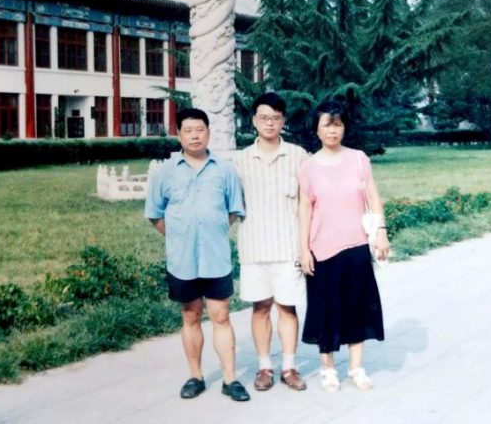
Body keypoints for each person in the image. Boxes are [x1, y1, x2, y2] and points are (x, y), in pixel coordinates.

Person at [144, 108, 250, 402]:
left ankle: (230, 379)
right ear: (178, 134)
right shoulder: (165, 172)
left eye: (200, 129)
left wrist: (211, 233)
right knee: (190, 315)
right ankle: (196, 376)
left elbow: (233, 210)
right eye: (188, 130)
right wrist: (180, 237)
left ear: (208, 132)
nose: (194, 135)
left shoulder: (224, 169)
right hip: (182, 260)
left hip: (216, 257)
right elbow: (155, 215)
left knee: (221, 315)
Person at [297, 100, 390, 392]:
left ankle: (356, 368)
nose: (332, 130)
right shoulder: (308, 167)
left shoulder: (359, 159)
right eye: (327, 124)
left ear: (344, 127)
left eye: (337, 124)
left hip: (356, 245)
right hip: (322, 249)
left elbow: (373, 197)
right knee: (325, 309)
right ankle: (327, 368)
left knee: (357, 307)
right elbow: (304, 211)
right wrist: (303, 250)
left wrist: (381, 232)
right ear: (317, 128)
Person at [232, 93, 309, 392]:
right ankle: (265, 366)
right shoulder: (239, 161)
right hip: (254, 249)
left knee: (287, 308)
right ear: (253, 120)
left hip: (288, 249)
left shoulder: (299, 156)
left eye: (275, 118)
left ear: (283, 121)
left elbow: (310, 202)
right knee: (260, 308)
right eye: (264, 117)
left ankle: (289, 367)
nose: (269, 123)